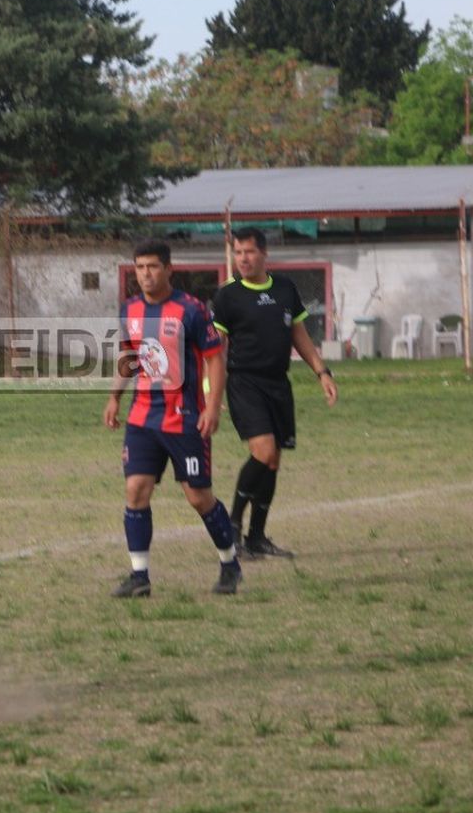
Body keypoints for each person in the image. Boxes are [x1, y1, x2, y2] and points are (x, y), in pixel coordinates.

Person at [104, 240, 242, 598]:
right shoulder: (129, 310)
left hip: (184, 418)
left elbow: (214, 359)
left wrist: (212, 406)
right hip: (142, 417)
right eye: (139, 268)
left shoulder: (191, 310)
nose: (145, 274)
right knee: (135, 490)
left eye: (152, 266)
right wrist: (115, 397)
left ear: (168, 269)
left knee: (198, 497)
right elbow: (128, 356)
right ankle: (139, 577)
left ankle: (230, 563)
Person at [210, 227, 339, 559]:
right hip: (244, 383)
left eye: (249, 252)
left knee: (273, 461)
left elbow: (300, 336)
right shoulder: (227, 296)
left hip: (278, 384)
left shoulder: (285, 289)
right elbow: (215, 350)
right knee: (263, 451)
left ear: (264, 253)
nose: (243, 259)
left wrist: (322, 372)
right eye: (238, 253)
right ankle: (232, 527)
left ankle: (257, 537)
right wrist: (211, 392)